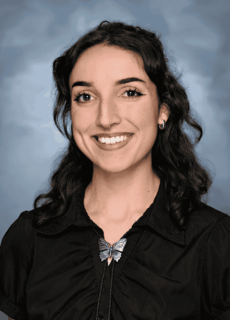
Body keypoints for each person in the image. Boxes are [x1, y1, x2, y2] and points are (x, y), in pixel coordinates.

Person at [0, 20, 230, 320]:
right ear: (71, 113)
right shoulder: (28, 236)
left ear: (163, 108)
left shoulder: (216, 241)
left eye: (130, 92)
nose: (105, 118)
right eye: (85, 96)